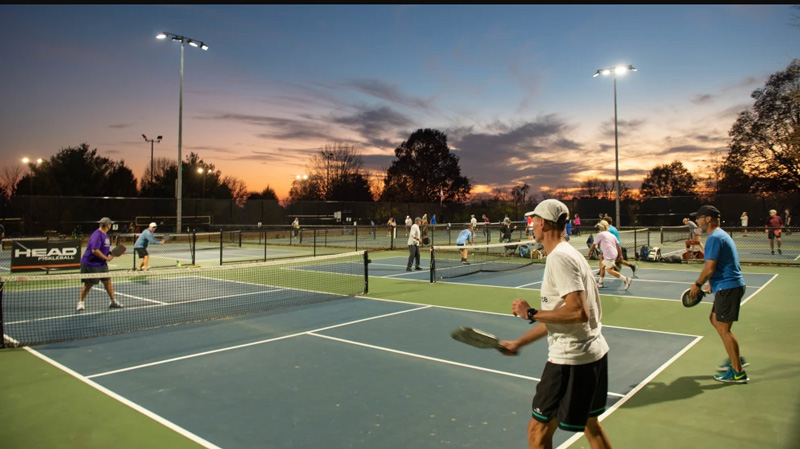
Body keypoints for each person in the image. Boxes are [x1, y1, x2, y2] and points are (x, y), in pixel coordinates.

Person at [500, 199, 612, 449]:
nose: (531, 224)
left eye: (534, 220)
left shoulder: (559, 259)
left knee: (537, 434)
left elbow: (577, 312)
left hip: (571, 360)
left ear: (545, 224)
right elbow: (559, 315)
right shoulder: (569, 254)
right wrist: (519, 341)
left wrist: (530, 312)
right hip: (593, 355)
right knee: (591, 426)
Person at [688, 205, 749, 383]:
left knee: (724, 329)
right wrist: (712, 285)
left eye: (698, 218)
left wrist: (698, 285)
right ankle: (736, 358)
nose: (697, 221)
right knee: (715, 320)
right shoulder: (721, 235)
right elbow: (723, 265)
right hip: (726, 286)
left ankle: (737, 371)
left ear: (707, 219)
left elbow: (710, 267)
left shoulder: (714, 237)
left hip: (728, 287)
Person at [77, 217, 123, 311]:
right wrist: (106, 258)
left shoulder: (104, 234)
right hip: (91, 263)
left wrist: (109, 253)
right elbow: (95, 250)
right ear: (107, 225)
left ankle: (113, 301)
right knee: (88, 284)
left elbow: (103, 248)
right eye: (110, 224)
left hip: (101, 264)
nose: (110, 225)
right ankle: (81, 302)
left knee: (108, 282)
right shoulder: (97, 235)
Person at [588, 220, 632, 290]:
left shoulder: (600, 234)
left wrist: (589, 253)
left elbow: (593, 245)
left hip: (609, 254)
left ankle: (626, 279)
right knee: (602, 266)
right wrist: (620, 255)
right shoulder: (612, 235)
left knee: (609, 270)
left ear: (601, 227)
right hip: (613, 253)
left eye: (599, 226)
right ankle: (600, 283)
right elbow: (618, 246)